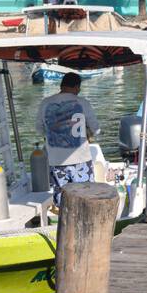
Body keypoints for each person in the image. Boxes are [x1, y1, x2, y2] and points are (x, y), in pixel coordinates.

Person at [37, 72, 101, 207]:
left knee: (63, 199)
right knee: (86, 197)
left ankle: (65, 223)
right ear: (77, 87)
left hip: (56, 160)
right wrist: (88, 132)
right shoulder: (83, 103)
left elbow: (39, 129)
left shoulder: (45, 103)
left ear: (61, 85)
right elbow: (96, 129)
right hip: (80, 160)